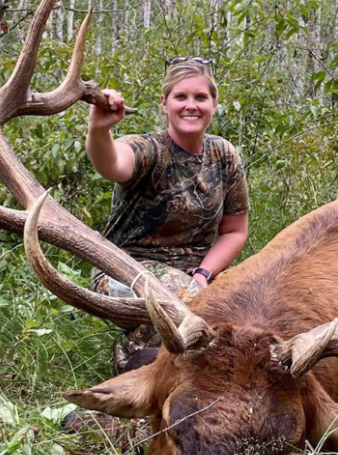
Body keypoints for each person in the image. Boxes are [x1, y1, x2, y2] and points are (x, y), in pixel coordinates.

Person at [86, 57, 249, 372]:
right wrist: (99, 130)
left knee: (251, 301)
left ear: (214, 104)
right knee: (186, 304)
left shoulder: (224, 156)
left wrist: (203, 275)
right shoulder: (149, 150)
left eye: (201, 97)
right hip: (123, 269)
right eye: (181, 97)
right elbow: (113, 164)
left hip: (196, 274)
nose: (191, 106)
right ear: (164, 103)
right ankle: (132, 356)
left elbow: (234, 231)